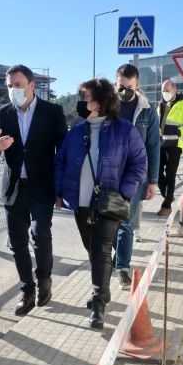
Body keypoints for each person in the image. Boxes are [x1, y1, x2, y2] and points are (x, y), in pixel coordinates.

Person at [55, 78, 146, 329]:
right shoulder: (76, 131)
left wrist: (125, 192)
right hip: (80, 202)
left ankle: (98, 303)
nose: (82, 103)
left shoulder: (125, 129)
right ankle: (103, 291)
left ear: (102, 101)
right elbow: (60, 162)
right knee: (93, 250)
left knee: (102, 249)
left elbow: (139, 164)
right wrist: (59, 192)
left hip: (109, 203)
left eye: (86, 98)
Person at [0, 65, 68, 316]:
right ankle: (27, 290)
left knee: (41, 235)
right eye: (9, 86)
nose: (13, 90)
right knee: (17, 242)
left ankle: (44, 280)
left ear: (32, 85)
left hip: (42, 186)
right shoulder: (3, 113)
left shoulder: (52, 112)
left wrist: (61, 188)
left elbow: (63, 153)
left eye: (18, 85)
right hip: (14, 188)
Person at [112, 64, 159, 289]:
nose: (125, 91)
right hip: (108, 176)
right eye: (121, 86)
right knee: (110, 222)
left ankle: (122, 267)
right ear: (116, 84)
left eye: (129, 87)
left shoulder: (147, 110)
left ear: (137, 85)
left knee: (126, 224)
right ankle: (116, 257)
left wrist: (153, 181)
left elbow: (153, 147)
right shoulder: (105, 107)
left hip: (135, 177)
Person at [157, 83, 183, 217]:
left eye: (167, 90)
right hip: (161, 143)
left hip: (175, 143)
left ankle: (166, 205)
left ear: (174, 90)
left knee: (170, 173)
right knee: (156, 171)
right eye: (163, 91)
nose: (165, 93)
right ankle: (168, 195)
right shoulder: (161, 104)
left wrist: (179, 131)